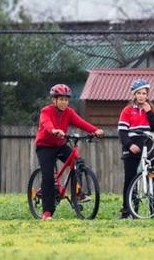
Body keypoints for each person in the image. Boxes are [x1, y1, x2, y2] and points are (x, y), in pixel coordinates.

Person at [34, 83, 104, 220]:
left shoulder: (69, 112)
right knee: (48, 177)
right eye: (61, 99)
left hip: (60, 144)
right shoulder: (46, 111)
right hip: (45, 146)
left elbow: (81, 122)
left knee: (78, 162)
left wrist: (95, 130)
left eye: (66, 100)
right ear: (54, 100)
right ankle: (47, 211)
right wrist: (54, 130)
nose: (64, 102)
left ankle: (77, 193)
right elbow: (46, 123)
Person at [118, 78, 154, 219]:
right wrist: (129, 145)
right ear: (134, 94)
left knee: (152, 176)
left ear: (147, 95)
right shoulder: (127, 110)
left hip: (148, 144)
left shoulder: (152, 109)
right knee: (130, 178)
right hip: (132, 144)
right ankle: (128, 210)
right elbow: (122, 131)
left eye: (144, 93)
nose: (141, 96)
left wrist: (149, 112)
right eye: (139, 93)